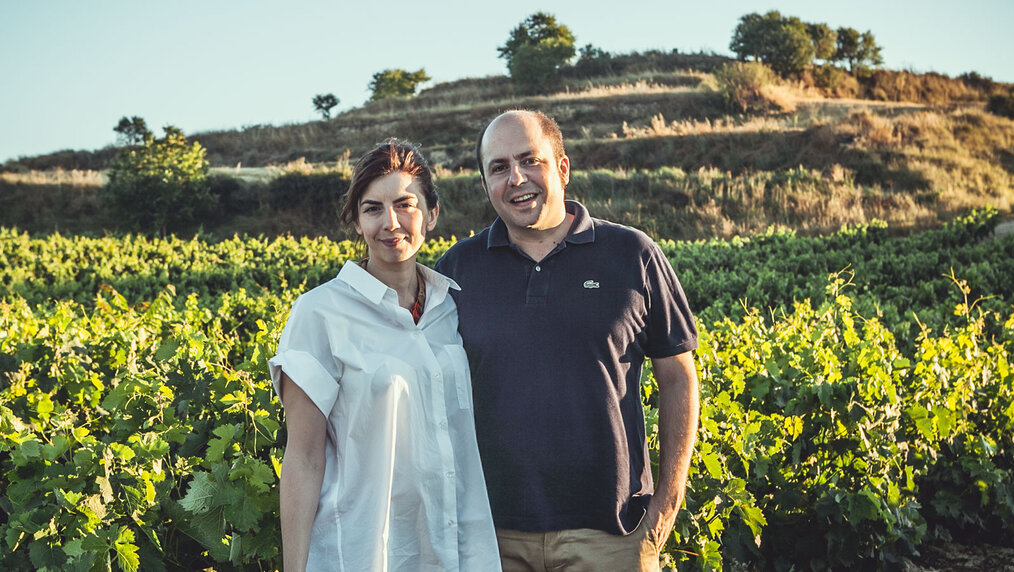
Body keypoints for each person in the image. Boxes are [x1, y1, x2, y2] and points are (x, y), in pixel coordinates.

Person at [434, 110, 700, 572]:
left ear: (562, 168)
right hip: (489, 536)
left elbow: (677, 378)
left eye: (529, 161)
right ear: (484, 182)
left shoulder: (633, 255)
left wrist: (667, 503)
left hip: (611, 533)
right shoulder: (456, 270)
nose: (516, 178)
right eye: (498, 168)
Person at [268, 139, 501, 571]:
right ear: (356, 222)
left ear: (431, 213)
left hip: (459, 551)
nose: (390, 222)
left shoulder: (451, 308)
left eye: (405, 204)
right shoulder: (320, 313)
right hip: (361, 553)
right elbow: (303, 457)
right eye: (373, 208)